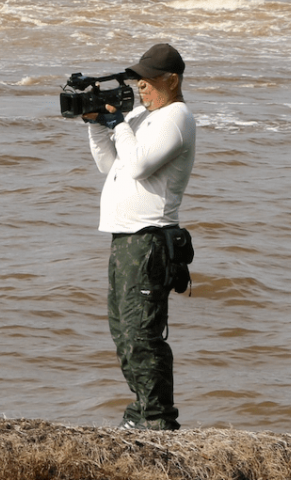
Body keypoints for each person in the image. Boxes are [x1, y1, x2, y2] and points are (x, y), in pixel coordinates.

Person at [80, 43, 196, 431]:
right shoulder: (144, 116)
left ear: (172, 80)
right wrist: (99, 125)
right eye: (139, 82)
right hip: (125, 239)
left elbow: (141, 165)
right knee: (123, 331)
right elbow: (111, 166)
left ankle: (159, 421)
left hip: (149, 239)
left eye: (147, 83)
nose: (140, 89)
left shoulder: (176, 117)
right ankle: (141, 413)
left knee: (142, 335)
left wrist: (119, 126)